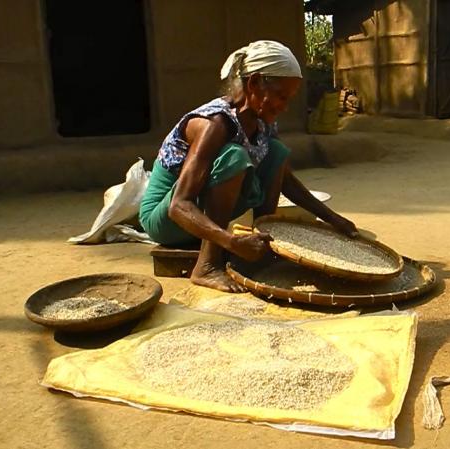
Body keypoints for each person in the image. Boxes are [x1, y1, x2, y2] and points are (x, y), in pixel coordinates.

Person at [140, 40, 358, 292]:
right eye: (280, 96)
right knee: (233, 156)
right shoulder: (216, 123)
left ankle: (262, 245)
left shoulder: (262, 119)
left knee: (276, 153)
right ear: (254, 83)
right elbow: (179, 206)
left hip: (196, 217)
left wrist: (332, 219)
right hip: (166, 219)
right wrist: (231, 242)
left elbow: (285, 179)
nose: (284, 106)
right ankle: (207, 265)